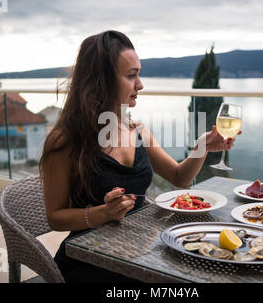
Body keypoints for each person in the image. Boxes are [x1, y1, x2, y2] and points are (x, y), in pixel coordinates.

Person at [39, 30, 241, 283]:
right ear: (102, 80)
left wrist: (201, 146)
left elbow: (180, 178)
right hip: (89, 261)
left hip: (135, 250)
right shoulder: (64, 140)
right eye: (131, 75)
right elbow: (55, 217)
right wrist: (104, 213)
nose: (141, 84)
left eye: (139, 73)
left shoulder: (137, 130)